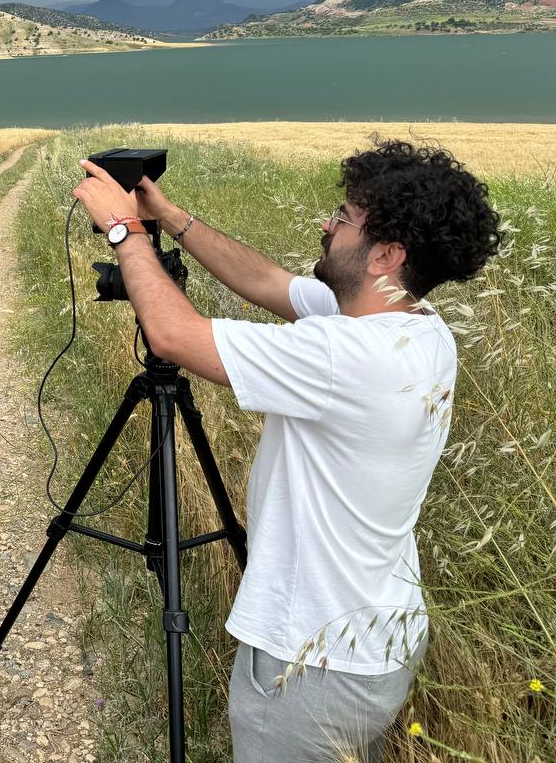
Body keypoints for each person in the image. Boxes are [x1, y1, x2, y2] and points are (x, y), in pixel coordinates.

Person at [73, 140, 501, 762]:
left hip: (312, 663)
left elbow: (173, 336)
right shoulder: (418, 328)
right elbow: (267, 282)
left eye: (345, 218)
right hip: (378, 644)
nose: (328, 224)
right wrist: (166, 215)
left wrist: (123, 228)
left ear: (387, 253)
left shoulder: (346, 355)